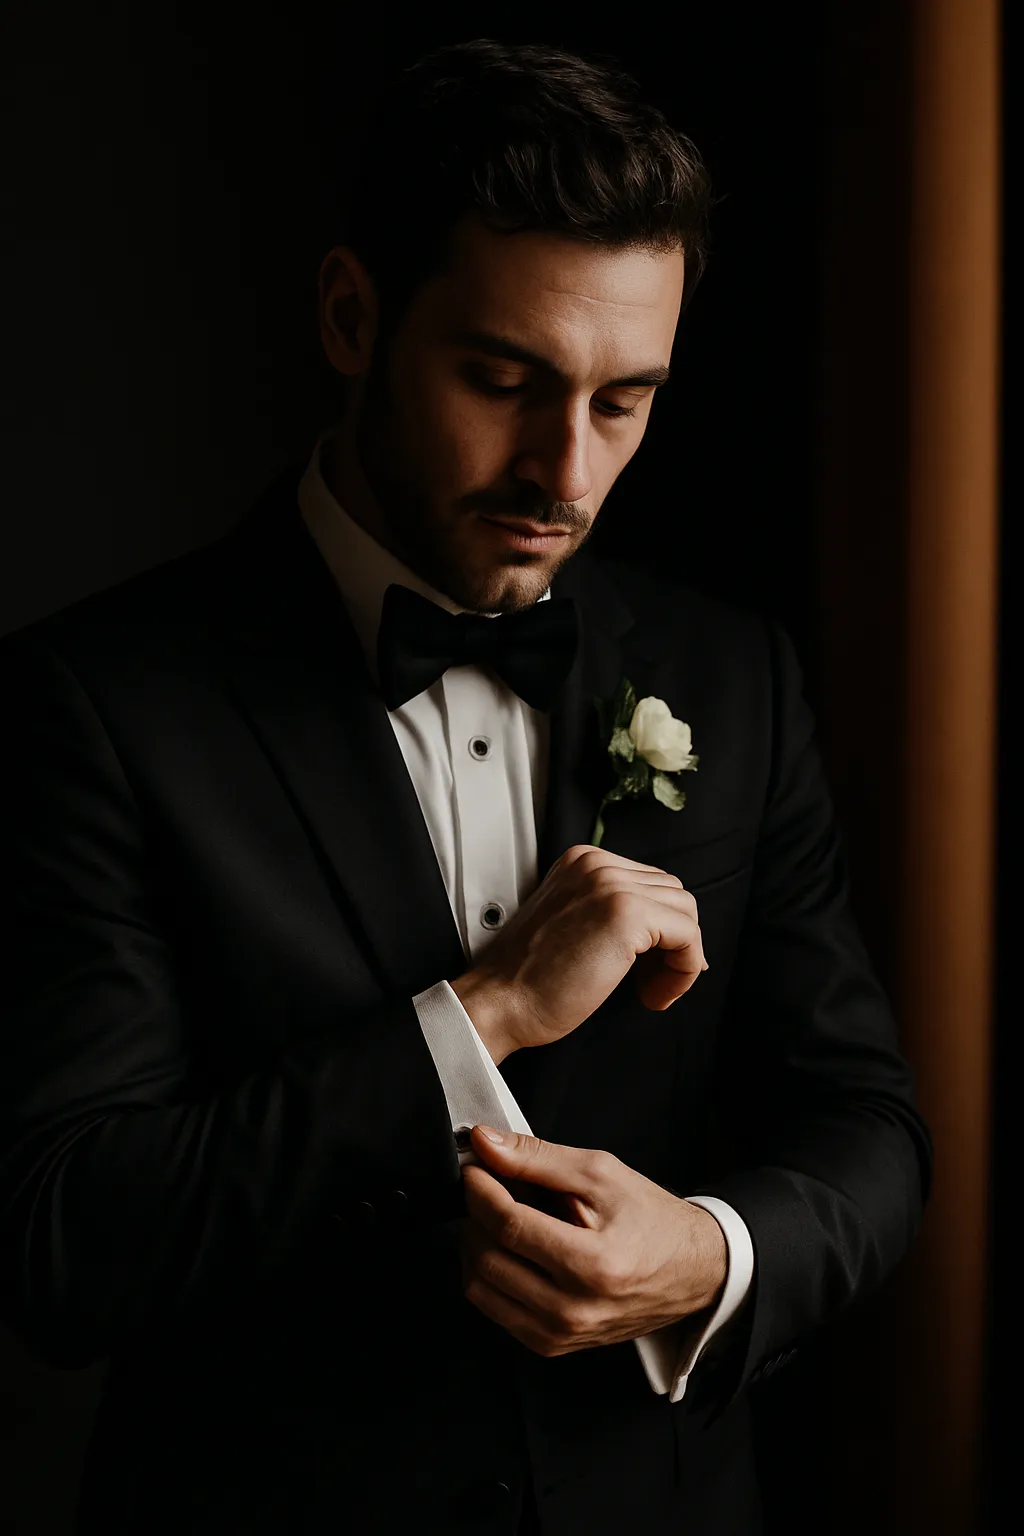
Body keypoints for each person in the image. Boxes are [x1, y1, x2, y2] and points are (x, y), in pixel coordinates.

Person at [0, 37, 931, 1536]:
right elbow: (62, 1240)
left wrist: (708, 1256)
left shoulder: (732, 672)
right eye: (505, 380)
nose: (565, 471)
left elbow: (866, 1126)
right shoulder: (94, 705)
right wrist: (480, 1014)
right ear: (353, 314)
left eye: (625, 402)